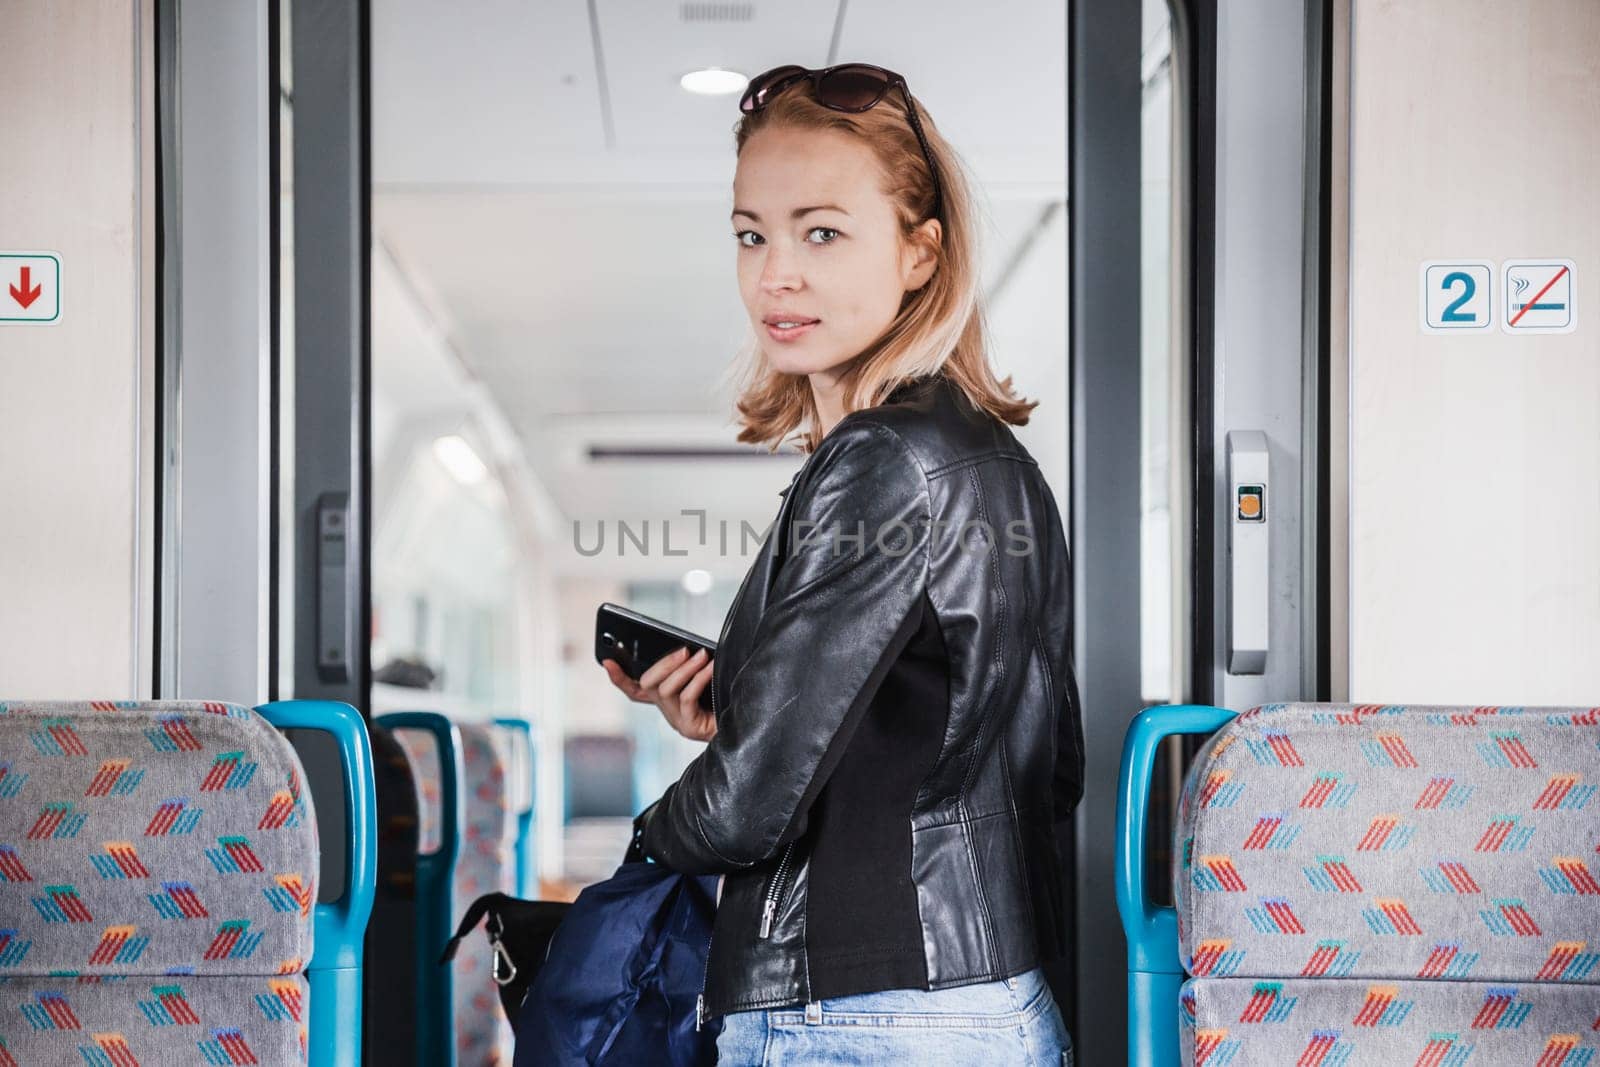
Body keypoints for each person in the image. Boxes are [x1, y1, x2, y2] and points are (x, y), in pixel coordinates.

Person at [599, 62, 1082, 1066]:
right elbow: (976, 742)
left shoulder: (876, 462)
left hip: (856, 1009)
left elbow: (745, 808)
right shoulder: (996, 461)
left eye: (821, 231)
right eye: (751, 233)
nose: (775, 272)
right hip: (984, 993)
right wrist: (737, 712)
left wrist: (649, 834)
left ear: (919, 251)